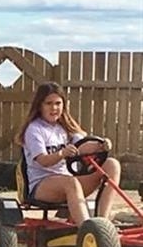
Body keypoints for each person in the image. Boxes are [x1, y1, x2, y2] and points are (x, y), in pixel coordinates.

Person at [16, 81, 119, 224]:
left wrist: (101, 145)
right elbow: (43, 160)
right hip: (42, 185)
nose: (54, 108)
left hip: (69, 182)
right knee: (70, 182)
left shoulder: (66, 127)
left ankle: (103, 222)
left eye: (58, 103)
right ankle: (86, 229)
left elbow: (83, 147)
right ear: (39, 105)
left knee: (112, 165)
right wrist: (61, 154)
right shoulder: (34, 129)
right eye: (49, 103)